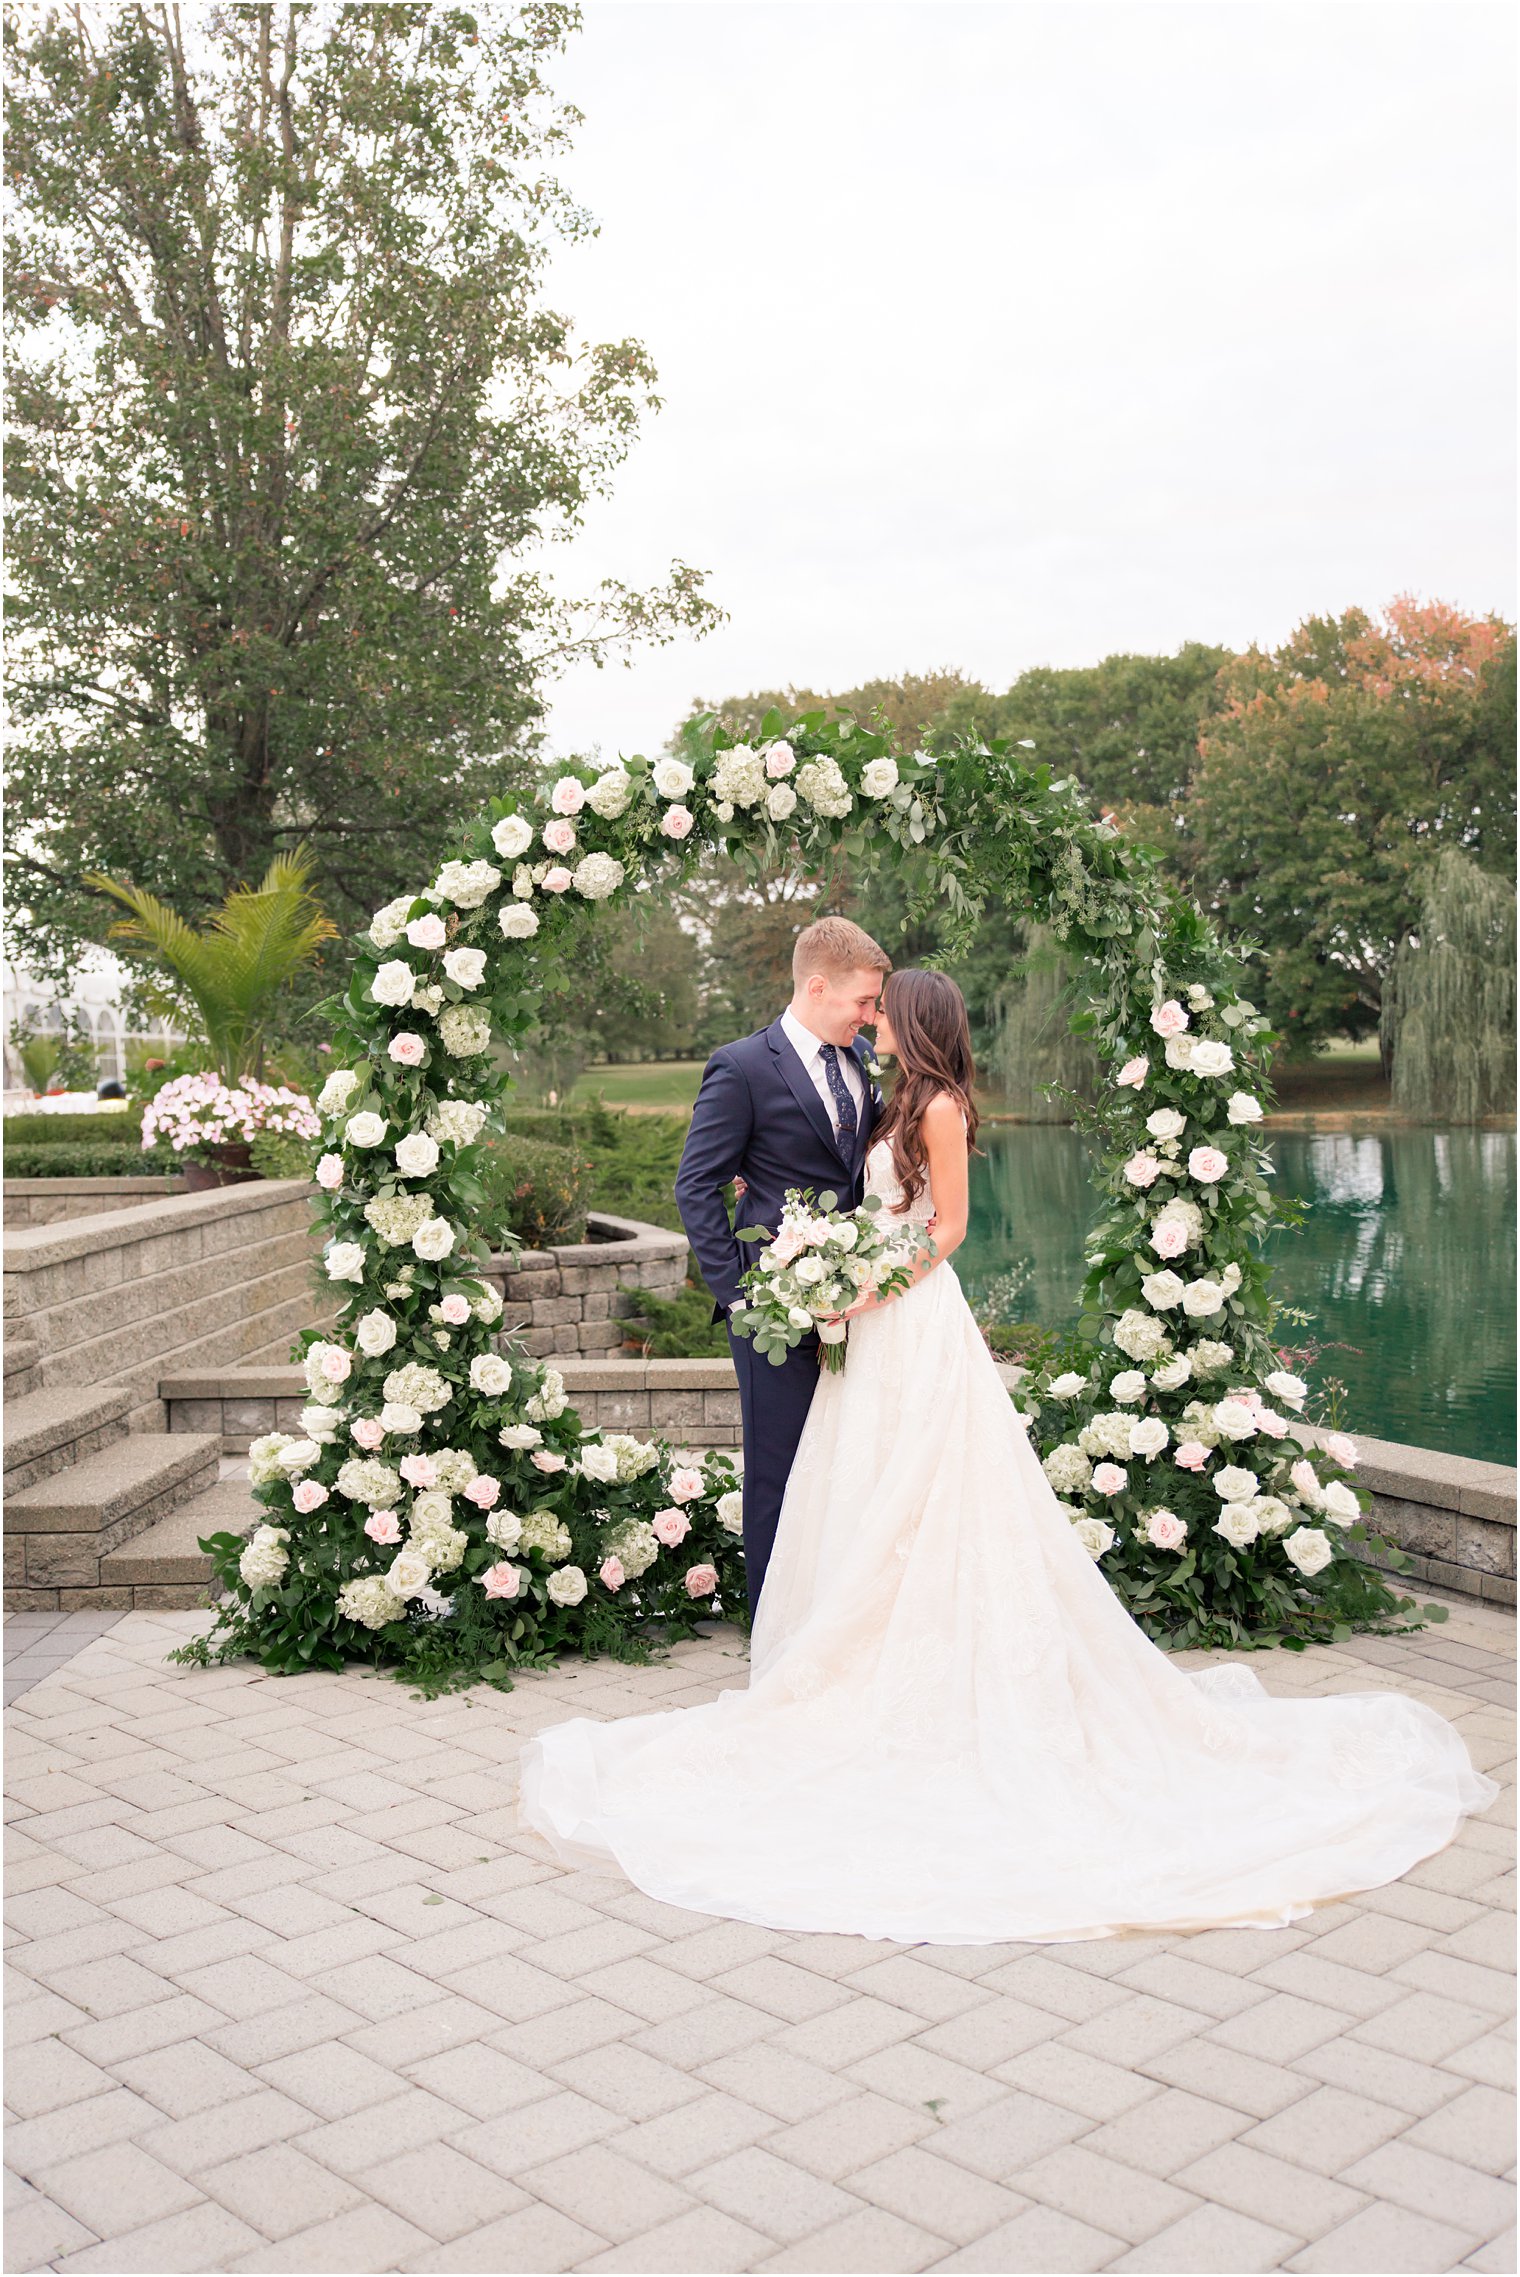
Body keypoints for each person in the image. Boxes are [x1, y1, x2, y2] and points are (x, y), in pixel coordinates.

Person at [518, 969, 1499, 1945]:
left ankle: (940, 1666)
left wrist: (863, 1290)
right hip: (865, 1326)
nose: (871, 1022)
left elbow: (947, 1228)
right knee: (863, 1488)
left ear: (915, 1023)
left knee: (934, 1487)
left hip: (907, 1320)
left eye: (884, 1011)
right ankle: (842, 1653)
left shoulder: (937, 1105)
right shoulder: (884, 1093)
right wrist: (812, 1254)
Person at [670, 914, 889, 1615]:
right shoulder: (740, 1066)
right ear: (817, 985)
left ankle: (832, 1620)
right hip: (773, 1310)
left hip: (856, 1306)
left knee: (842, 1468)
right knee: (779, 1473)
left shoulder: (857, 1063)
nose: (870, 1015)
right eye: (862, 1001)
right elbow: (696, 1183)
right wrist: (741, 1292)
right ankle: (772, 1630)